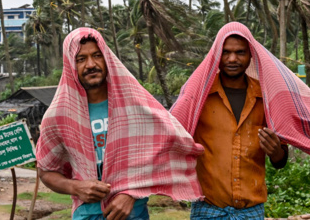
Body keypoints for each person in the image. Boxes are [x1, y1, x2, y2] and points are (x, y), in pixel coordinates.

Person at [171, 22, 310, 220]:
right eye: (226, 52)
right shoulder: (198, 98)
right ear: (217, 55)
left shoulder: (267, 98)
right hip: (208, 210)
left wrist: (276, 151)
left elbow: (280, 160)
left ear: (251, 55)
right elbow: (171, 133)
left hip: (251, 212)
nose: (232, 59)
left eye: (240, 52)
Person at [36, 28, 203, 220]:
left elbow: (162, 152)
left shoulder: (134, 104)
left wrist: (131, 193)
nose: (91, 64)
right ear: (70, 64)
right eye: (81, 59)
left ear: (107, 58)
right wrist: (76, 187)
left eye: (97, 56)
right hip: (87, 214)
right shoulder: (59, 115)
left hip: (133, 212)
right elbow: (46, 171)